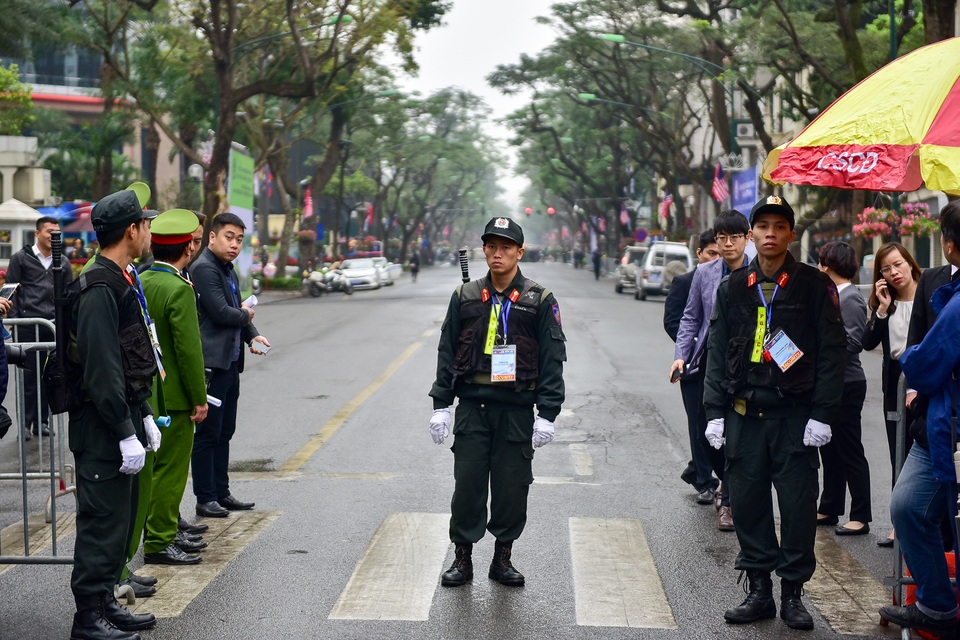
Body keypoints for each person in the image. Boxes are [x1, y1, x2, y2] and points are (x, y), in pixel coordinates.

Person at [703, 195, 846, 631]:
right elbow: (715, 348)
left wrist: (822, 413)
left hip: (794, 418)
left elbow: (831, 353)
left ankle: (793, 594)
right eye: (761, 226)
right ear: (752, 235)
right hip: (745, 416)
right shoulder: (732, 288)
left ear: (791, 234)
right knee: (747, 505)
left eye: (778, 226)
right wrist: (713, 411)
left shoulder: (813, 286)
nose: (770, 233)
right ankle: (759, 590)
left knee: (799, 508)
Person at [429, 216, 566, 588]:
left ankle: (502, 558)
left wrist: (547, 414)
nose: (498, 253)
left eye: (506, 246)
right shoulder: (466, 296)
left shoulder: (539, 299)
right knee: (468, 487)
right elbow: (447, 350)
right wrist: (441, 405)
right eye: (491, 246)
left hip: (517, 411)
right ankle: (462, 558)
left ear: (520, 252)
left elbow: (552, 360)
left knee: (511, 489)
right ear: (484, 250)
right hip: (473, 409)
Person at [68, 189, 160, 640]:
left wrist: (141, 414)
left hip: (118, 420)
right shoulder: (99, 286)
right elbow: (102, 371)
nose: (149, 232)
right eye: (145, 224)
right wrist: (125, 430)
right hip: (101, 426)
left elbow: (128, 361)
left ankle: (105, 600)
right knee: (102, 521)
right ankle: (88, 618)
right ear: (131, 230)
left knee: (117, 520)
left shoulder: (117, 277)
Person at [879, 200, 960, 637]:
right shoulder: (944, 288)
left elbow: (925, 361)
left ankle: (939, 608)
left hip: (950, 431)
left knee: (925, 513)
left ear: (948, 244)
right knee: (908, 506)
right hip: (938, 428)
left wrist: (912, 359)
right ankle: (936, 606)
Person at [128, 210, 212, 583]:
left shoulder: (143, 278)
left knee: (155, 471)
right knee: (171, 472)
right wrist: (200, 396)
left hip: (148, 392)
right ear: (189, 247)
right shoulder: (179, 288)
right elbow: (189, 352)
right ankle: (161, 540)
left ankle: (164, 531)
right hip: (177, 395)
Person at [671, 211, 752, 532]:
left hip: (745, 364)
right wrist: (681, 355)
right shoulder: (704, 273)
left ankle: (730, 502)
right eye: (722, 237)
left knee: (736, 434)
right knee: (706, 434)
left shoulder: (757, 271)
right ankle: (722, 481)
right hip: (706, 362)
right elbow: (690, 317)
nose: (728, 244)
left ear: (747, 238)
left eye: (734, 237)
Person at [191, 213, 270, 518]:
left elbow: (238, 311)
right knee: (209, 433)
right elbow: (224, 313)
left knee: (225, 431)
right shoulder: (204, 269)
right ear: (212, 237)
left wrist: (252, 335)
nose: (234, 244)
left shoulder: (228, 270)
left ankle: (221, 492)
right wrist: (246, 316)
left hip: (230, 363)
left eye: (239, 239)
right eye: (228, 237)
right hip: (212, 365)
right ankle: (205, 497)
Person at [862, 242, 921, 547]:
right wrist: (882, 310)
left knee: (924, 451)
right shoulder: (887, 304)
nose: (894, 272)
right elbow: (867, 342)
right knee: (897, 452)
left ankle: (926, 523)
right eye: (886, 269)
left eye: (897, 264)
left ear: (910, 264)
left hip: (924, 377)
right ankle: (899, 524)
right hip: (895, 381)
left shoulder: (930, 295)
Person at [815, 242, 872, 535]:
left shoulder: (850, 298)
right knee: (830, 450)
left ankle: (861, 515)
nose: (819, 268)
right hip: (832, 383)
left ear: (829, 265)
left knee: (850, 450)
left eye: (821, 262)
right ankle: (830, 506)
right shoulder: (834, 294)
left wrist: (818, 345)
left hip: (848, 384)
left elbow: (853, 342)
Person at [663, 229, 723, 505]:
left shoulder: (729, 279)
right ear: (699, 253)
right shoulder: (685, 281)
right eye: (711, 253)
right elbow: (675, 321)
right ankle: (704, 480)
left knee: (718, 424)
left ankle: (713, 474)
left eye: (720, 254)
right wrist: (693, 347)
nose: (716, 258)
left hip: (721, 366)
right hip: (693, 365)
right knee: (697, 423)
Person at [6, 215, 75, 439]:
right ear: (37, 234)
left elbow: (67, 296)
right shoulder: (21, 259)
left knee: (49, 375)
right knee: (28, 379)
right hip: (28, 326)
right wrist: (16, 323)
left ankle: (42, 422)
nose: (55, 235)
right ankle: (25, 424)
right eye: (50, 231)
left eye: (57, 231)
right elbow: (11, 291)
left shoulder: (62, 262)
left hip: (52, 328)